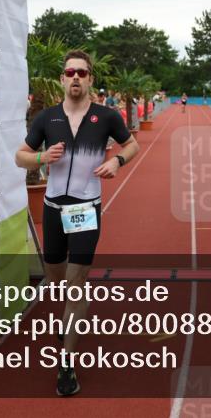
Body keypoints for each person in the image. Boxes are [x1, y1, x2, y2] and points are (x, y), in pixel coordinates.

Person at [14, 50, 139, 397]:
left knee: (75, 281)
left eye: (82, 73)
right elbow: (19, 156)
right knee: (58, 281)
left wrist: (117, 163)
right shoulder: (47, 118)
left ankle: (65, 363)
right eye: (70, 72)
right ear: (61, 79)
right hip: (53, 209)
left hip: (86, 208)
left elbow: (132, 145)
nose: (75, 78)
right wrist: (40, 157)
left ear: (90, 80)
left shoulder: (106, 117)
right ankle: (74, 314)